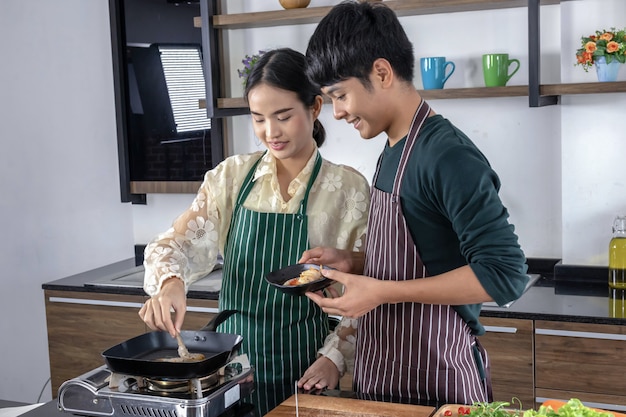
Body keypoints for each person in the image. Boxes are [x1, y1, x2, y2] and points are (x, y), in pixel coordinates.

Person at [297, 0, 529, 405]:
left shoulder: (446, 155)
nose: (335, 113)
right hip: (383, 376)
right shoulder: (391, 146)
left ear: (382, 72)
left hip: (438, 377)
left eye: (340, 95)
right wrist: (353, 263)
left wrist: (381, 292)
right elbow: (425, 254)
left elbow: (505, 276)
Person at [138, 47, 370, 416]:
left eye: (283, 116)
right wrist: (170, 283)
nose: (270, 132)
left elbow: (366, 291)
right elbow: (175, 244)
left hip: (307, 370)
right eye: (258, 118)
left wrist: (335, 358)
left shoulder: (348, 190)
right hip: (228, 370)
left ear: (314, 108)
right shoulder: (231, 178)